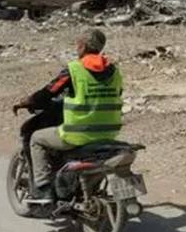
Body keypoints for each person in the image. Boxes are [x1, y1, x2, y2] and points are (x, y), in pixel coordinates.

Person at [13, 28, 124, 203]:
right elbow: (115, 93)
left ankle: (42, 188)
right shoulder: (114, 71)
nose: (76, 47)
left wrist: (28, 101)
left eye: (77, 44)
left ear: (82, 46)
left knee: (35, 138)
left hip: (78, 133)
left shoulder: (75, 69)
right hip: (109, 133)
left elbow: (49, 91)